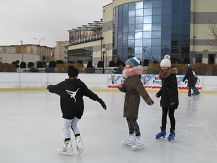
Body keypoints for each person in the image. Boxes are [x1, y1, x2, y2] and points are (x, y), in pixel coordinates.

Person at [47, 66, 107, 155]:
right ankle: (79, 143)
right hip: (79, 109)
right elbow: (90, 94)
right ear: (77, 75)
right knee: (74, 125)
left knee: (66, 127)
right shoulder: (81, 84)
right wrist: (100, 100)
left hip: (68, 110)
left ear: (68, 74)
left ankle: (68, 148)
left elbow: (53, 88)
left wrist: (49, 86)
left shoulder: (63, 84)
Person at [118, 57, 154, 150]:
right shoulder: (128, 77)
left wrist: (148, 100)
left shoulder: (135, 78)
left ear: (132, 66)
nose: (126, 66)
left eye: (128, 65)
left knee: (132, 119)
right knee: (128, 119)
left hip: (133, 101)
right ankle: (131, 137)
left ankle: (139, 140)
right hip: (127, 100)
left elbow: (142, 91)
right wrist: (121, 87)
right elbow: (126, 89)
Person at [155, 55, 179, 142]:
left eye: (165, 67)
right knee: (163, 115)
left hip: (172, 99)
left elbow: (173, 89)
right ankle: (163, 131)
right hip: (165, 98)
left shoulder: (172, 75)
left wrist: (173, 100)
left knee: (171, 115)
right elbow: (164, 87)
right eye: (162, 67)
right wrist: (159, 93)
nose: (163, 68)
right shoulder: (163, 75)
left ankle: (172, 132)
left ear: (168, 67)